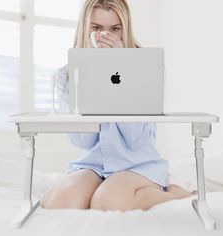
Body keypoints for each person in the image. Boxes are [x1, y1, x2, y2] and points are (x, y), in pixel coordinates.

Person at [40, 0, 194, 211]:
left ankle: (176, 193)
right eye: (96, 28)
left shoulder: (145, 66)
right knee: (60, 203)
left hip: (136, 164)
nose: (105, 36)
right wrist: (93, 73)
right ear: (85, 29)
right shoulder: (67, 74)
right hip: (92, 163)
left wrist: (121, 67)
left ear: (124, 29)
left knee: (108, 201)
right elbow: (81, 140)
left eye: (114, 29)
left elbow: (136, 138)